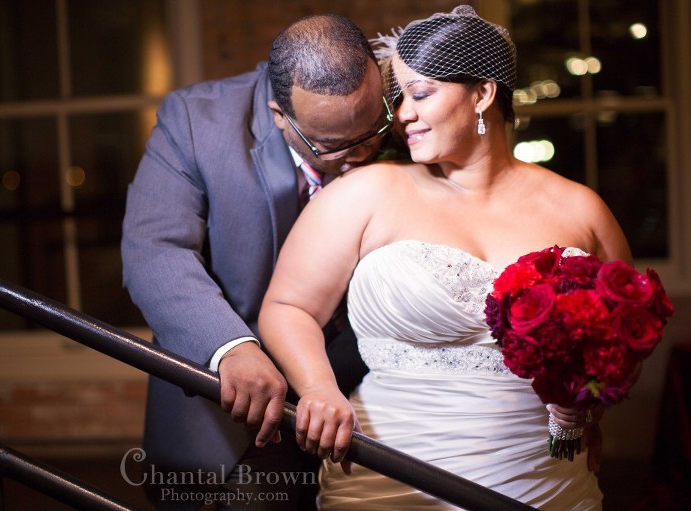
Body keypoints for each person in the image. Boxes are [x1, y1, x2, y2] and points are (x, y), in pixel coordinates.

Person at [258, 6, 632, 510]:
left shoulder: (581, 209)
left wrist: (582, 408)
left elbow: (624, 338)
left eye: (420, 94)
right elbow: (287, 308)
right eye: (400, 98)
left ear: (482, 92)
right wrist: (320, 390)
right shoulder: (365, 193)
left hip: (542, 478)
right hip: (389, 473)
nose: (402, 114)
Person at [121, 14, 391, 510]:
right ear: (278, 114)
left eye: (374, 130)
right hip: (237, 406)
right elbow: (154, 248)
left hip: (374, 403)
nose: (362, 154)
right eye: (333, 146)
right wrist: (230, 347)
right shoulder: (195, 119)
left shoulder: (409, 103)